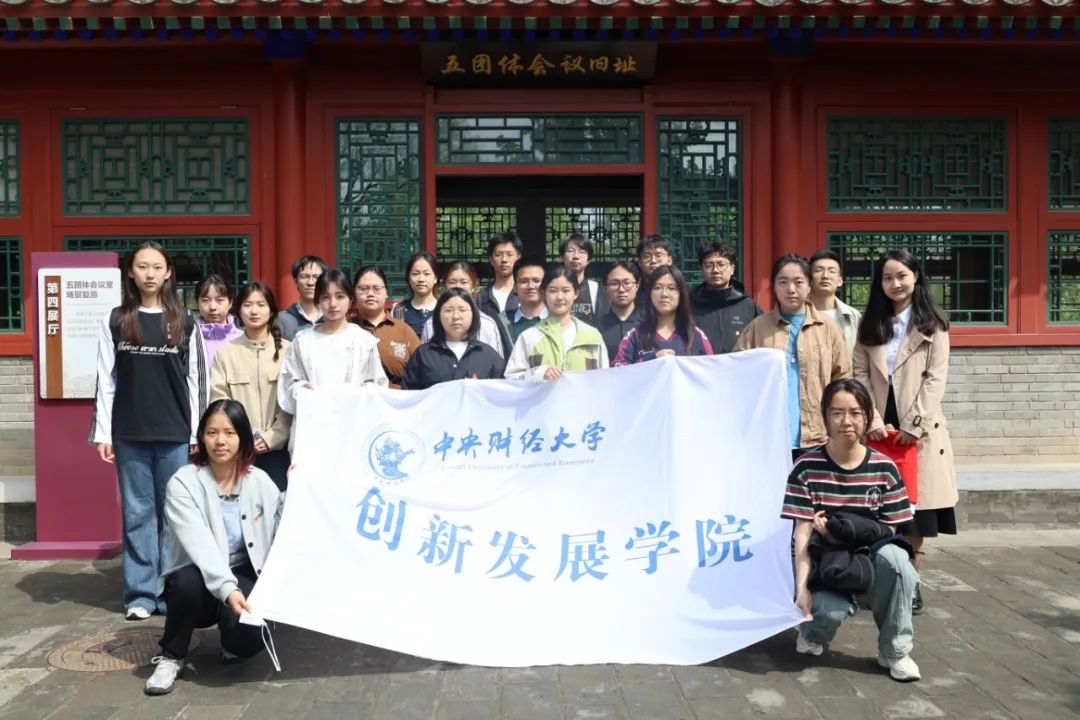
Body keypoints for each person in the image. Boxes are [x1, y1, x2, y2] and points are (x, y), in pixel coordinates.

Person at [91, 241, 208, 620]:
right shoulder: (115, 320)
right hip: (130, 432)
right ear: (131, 272)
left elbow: (197, 381)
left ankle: (171, 591)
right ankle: (141, 595)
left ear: (168, 272)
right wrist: (103, 432)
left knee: (174, 513)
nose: (150, 274)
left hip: (175, 431)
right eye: (142, 266)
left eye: (157, 267)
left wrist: (197, 433)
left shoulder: (185, 320)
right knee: (138, 513)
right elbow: (106, 381)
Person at [782, 379, 920, 682]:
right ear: (825, 417)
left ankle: (895, 651)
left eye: (855, 413)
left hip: (868, 554)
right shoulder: (806, 467)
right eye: (837, 413)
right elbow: (801, 535)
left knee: (899, 562)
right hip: (826, 561)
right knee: (826, 613)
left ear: (867, 417)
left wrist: (840, 533)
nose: (846, 421)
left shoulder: (884, 467)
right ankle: (812, 632)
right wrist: (802, 588)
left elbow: (889, 529)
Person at [145, 400, 283, 696]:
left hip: (243, 570)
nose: (221, 441)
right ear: (202, 438)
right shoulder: (183, 482)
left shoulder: (259, 481)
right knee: (186, 584)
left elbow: (282, 523)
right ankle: (171, 655)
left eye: (230, 433)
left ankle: (232, 639)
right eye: (212, 433)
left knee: (250, 638)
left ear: (243, 438)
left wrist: (298, 487)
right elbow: (199, 543)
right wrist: (227, 589)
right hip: (198, 574)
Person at [853, 249, 956, 616]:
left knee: (915, 513)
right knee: (878, 510)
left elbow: (936, 379)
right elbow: (860, 374)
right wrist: (871, 419)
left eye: (902, 275)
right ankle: (877, 581)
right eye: (887, 277)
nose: (895, 283)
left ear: (916, 277)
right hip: (878, 428)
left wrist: (914, 424)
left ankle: (910, 584)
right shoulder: (870, 324)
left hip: (919, 430)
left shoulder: (934, 324)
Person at [736, 254, 851, 460]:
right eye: (783, 282)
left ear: (809, 285)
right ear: (773, 286)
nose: (791, 289)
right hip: (769, 434)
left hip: (818, 434)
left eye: (798, 282)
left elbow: (843, 378)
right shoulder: (757, 328)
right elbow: (737, 375)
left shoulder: (828, 328)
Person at [278, 269, 389, 446]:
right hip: (312, 430)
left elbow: (377, 386)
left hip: (352, 429)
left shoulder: (364, 341)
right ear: (317, 301)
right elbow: (288, 382)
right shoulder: (303, 341)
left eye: (340, 296)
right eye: (325, 297)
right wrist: (302, 389)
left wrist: (356, 394)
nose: (333, 304)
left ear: (350, 299)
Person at [210, 282, 293, 491]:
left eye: (261, 304)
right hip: (238, 450)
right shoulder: (226, 353)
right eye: (247, 305)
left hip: (278, 451)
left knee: (277, 504)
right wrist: (238, 437)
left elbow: (292, 402)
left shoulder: (288, 351)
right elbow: (219, 400)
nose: (254, 311)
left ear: (271, 311)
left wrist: (273, 437)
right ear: (238, 310)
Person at [505, 266, 609, 380]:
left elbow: (604, 379)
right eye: (553, 291)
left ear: (576, 293)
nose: (559, 297)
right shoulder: (530, 337)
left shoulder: (592, 336)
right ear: (543, 294)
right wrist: (539, 373)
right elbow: (512, 379)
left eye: (566, 290)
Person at [403, 289, 506, 390]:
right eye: (448, 310)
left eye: (462, 310)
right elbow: (409, 394)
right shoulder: (423, 355)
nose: (456, 316)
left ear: (473, 314)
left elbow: (501, 392)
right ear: (438, 315)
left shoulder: (488, 354)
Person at [613, 266, 712, 365]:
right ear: (649, 293)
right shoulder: (635, 335)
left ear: (681, 294)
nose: (664, 294)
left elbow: (711, 369)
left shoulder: (696, 335)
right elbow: (618, 370)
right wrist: (650, 360)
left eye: (671, 288)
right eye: (657, 288)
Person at [420, 261, 512, 358]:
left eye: (463, 282)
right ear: (445, 286)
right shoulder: (431, 324)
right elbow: (425, 359)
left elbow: (496, 362)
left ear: (474, 286)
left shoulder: (488, 325)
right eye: (452, 282)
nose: (458, 286)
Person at [352, 266, 421, 389]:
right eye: (364, 289)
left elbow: (423, 370)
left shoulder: (403, 330)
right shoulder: (347, 329)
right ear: (354, 293)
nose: (370, 294)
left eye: (377, 289)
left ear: (386, 293)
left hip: (398, 398)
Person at [690, 242, 762, 354]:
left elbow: (763, 342)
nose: (715, 270)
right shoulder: (689, 305)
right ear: (701, 269)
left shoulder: (748, 306)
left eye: (721, 264)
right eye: (709, 265)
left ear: (732, 268)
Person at [809, 249, 862, 356]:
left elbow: (861, 357)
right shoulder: (798, 314)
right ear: (809, 279)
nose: (825, 276)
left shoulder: (854, 317)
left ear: (840, 281)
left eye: (832, 271)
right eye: (819, 270)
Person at [596, 261, 644, 360]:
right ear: (604, 288)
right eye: (614, 283)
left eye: (627, 283)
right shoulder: (596, 328)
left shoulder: (649, 323)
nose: (621, 289)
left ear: (637, 285)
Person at [277, 255, 328, 341]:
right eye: (304, 276)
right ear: (296, 282)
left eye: (316, 277)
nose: (311, 282)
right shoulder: (280, 320)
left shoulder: (333, 318)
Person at [195, 275, 243, 367]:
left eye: (219, 300)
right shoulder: (188, 339)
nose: (213, 307)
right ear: (197, 303)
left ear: (230, 302)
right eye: (205, 300)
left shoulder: (242, 339)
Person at [476, 232, 522, 324]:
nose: (504, 259)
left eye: (509, 254)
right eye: (498, 255)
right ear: (491, 260)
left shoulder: (525, 294)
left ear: (518, 258)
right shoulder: (480, 298)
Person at [559, 233, 606, 323]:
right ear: (561, 257)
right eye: (570, 251)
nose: (576, 256)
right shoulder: (553, 288)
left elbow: (602, 323)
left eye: (582, 251)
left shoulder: (596, 289)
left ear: (588, 259)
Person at [391, 252, 439, 338]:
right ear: (409, 278)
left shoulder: (444, 309)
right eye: (415, 274)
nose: (421, 279)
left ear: (435, 278)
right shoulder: (398, 310)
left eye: (427, 274)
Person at [509, 257, 548, 340]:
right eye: (524, 281)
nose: (530, 286)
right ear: (515, 287)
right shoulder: (502, 323)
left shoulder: (559, 321)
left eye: (536, 281)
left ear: (546, 285)